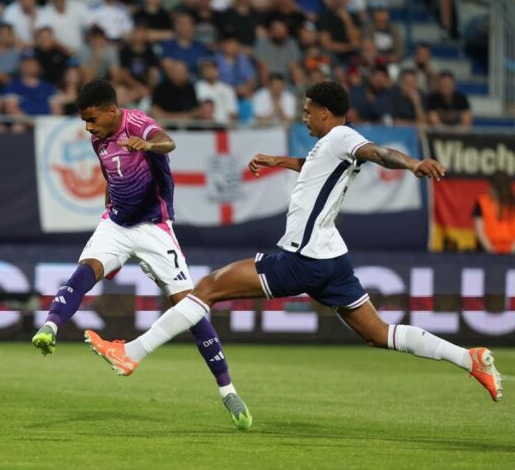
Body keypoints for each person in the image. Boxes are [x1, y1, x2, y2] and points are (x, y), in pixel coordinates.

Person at [85, 81, 503, 408]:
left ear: (325, 113)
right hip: (332, 257)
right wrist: (279, 161)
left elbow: (378, 152)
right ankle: (471, 359)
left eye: (307, 113)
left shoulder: (343, 137)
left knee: (207, 287)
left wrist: (412, 163)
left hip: (301, 257)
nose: (304, 119)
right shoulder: (330, 145)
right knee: (378, 333)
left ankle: (133, 352)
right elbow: (318, 167)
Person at [31, 79, 252, 430]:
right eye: (85, 121)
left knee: (190, 307)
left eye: (92, 119)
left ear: (111, 110)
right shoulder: (97, 139)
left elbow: (169, 142)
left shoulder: (135, 122)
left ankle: (228, 391)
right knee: (86, 268)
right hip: (117, 223)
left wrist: (147, 144)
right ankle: (49, 327)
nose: (88, 126)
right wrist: (109, 206)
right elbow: (110, 174)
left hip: (154, 227)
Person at [473, 171, 515, 254]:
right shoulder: (482, 203)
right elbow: (480, 232)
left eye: (491, 186)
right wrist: (491, 251)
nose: (488, 188)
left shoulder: (513, 203)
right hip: (487, 253)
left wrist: (512, 251)